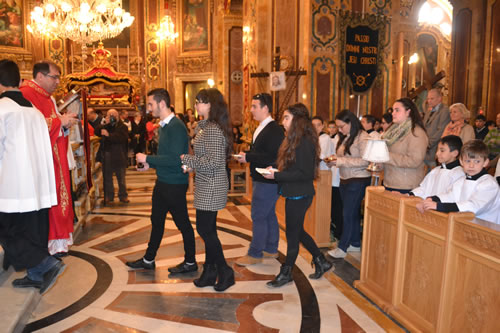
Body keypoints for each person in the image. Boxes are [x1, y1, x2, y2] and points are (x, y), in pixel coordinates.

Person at [0, 59, 65, 294]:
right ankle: (36, 274)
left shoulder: (3, 109)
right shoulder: (34, 111)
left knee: (9, 229)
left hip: (13, 188)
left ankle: (44, 263)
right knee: (34, 230)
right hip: (39, 187)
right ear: (19, 81)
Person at [126, 89, 197, 274]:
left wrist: (147, 158)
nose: (149, 109)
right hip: (163, 182)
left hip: (174, 184)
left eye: (151, 104)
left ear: (162, 104)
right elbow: (166, 157)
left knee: (183, 223)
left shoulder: (176, 126)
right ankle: (149, 259)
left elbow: (175, 159)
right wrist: (152, 165)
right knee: (156, 221)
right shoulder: (164, 126)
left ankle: (190, 262)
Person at [262, 103, 333, 287]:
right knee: (297, 231)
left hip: (300, 195)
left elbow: (305, 174)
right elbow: (294, 168)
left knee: (293, 235)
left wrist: (276, 175)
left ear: (297, 120)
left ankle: (286, 273)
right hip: (294, 192)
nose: (283, 121)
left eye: (286, 117)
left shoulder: (305, 142)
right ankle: (321, 260)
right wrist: (276, 169)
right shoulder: (295, 139)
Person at [20, 60, 77, 256]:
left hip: (54, 156)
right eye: (54, 77)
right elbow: (31, 126)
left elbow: (49, 124)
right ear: (40, 76)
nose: (58, 82)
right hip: (41, 160)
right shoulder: (27, 94)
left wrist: (63, 124)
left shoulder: (47, 97)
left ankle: (57, 242)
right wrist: (60, 121)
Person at [181, 88, 235, 292]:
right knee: (209, 229)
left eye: (200, 101)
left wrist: (188, 159)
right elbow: (208, 159)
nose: (196, 105)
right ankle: (210, 271)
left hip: (211, 185)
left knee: (205, 230)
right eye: (196, 101)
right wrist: (192, 164)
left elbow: (213, 162)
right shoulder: (206, 127)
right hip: (208, 183)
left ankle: (224, 270)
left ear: (211, 104)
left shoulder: (211, 129)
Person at [235, 93, 284, 266]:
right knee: (268, 214)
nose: (251, 109)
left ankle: (255, 253)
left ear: (265, 108)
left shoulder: (275, 129)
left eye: (255, 106)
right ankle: (271, 249)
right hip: (262, 178)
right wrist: (247, 155)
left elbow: (272, 155)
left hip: (268, 179)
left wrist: (248, 157)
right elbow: (261, 152)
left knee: (258, 215)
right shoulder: (263, 127)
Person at [417, 140, 500, 223]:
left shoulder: (489, 184)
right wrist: (430, 200)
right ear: (461, 161)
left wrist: (438, 206)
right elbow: (450, 196)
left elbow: (474, 206)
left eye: (477, 161)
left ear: (485, 162)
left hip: (487, 229)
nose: (471, 165)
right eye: (467, 161)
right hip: (465, 225)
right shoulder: (461, 181)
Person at [326, 109, 370, 259]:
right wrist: (334, 160)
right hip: (345, 178)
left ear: (350, 123)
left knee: (348, 213)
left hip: (358, 179)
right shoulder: (346, 136)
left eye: (341, 126)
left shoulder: (362, 137)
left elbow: (365, 160)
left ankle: (342, 247)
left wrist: (340, 161)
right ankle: (355, 243)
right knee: (352, 213)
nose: (339, 130)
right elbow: (342, 156)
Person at [382, 98, 429, 194]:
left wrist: (386, 156)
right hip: (389, 182)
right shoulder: (392, 131)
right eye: (393, 110)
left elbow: (414, 160)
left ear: (408, 112)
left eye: (397, 110)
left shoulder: (416, 133)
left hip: (406, 185)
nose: (393, 113)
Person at [95, 109, 129, 204]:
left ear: (118, 116)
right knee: (107, 178)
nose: (112, 117)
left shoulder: (123, 127)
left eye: (114, 115)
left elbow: (121, 138)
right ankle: (109, 196)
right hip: (107, 155)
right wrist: (104, 123)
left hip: (119, 155)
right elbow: (96, 131)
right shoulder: (106, 126)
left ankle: (123, 195)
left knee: (121, 178)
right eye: (110, 115)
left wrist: (108, 135)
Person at [423, 88, 450, 167]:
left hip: (434, 148)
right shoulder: (429, 110)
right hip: (425, 147)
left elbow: (441, 130)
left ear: (439, 98)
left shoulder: (444, 110)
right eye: (428, 98)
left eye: (432, 98)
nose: (429, 101)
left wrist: (429, 143)